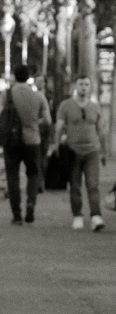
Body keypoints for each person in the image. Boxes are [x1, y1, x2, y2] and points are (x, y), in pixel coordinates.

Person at [0, 64, 51, 224]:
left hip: (11, 141)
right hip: (33, 140)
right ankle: (30, 204)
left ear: (14, 75)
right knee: (33, 174)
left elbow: (1, 116)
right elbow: (48, 120)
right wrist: (35, 123)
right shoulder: (39, 96)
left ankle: (16, 214)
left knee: (12, 176)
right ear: (29, 77)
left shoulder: (6, 94)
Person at [55, 75, 106, 232]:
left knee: (93, 185)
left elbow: (101, 129)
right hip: (73, 152)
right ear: (74, 86)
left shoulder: (95, 107)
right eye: (81, 84)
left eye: (86, 84)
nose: (83, 87)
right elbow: (59, 127)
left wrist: (103, 151)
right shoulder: (66, 106)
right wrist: (57, 146)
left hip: (92, 151)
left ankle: (96, 216)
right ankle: (77, 215)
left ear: (90, 87)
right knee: (75, 185)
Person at [33, 72, 52, 192]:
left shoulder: (49, 96)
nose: (40, 83)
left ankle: (41, 180)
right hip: (34, 129)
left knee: (43, 156)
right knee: (35, 156)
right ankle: (38, 182)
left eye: (42, 81)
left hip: (45, 129)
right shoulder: (32, 95)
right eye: (37, 80)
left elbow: (52, 116)